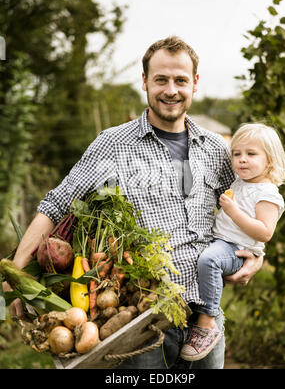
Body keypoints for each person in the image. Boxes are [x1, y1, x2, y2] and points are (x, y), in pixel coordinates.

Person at [3, 36, 263, 369]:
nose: (171, 90)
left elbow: (250, 203)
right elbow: (57, 204)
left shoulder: (215, 148)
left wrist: (257, 256)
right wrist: (17, 269)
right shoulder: (113, 144)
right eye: (161, 80)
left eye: (180, 80)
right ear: (144, 82)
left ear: (195, 84)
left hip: (205, 321)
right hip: (139, 323)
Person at [180, 123, 285, 362]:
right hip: (223, 241)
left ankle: (207, 324)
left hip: (236, 249)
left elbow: (264, 233)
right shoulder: (241, 182)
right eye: (237, 154)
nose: (242, 160)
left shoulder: (268, 194)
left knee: (209, 260)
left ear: (269, 161)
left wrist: (233, 211)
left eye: (251, 154)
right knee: (207, 256)